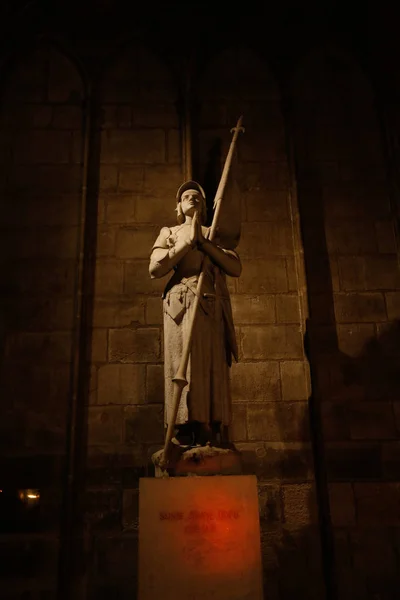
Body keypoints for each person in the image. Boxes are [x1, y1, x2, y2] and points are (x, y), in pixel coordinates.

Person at [149, 180, 241, 446]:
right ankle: (181, 427)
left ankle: (208, 425)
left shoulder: (213, 233)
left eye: (197, 196)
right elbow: (155, 267)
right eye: (186, 196)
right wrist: (187, 243)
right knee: (181, 365)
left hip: (209, 304)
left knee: (209, 364)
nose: (192, 198)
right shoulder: (170, 231)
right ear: (178, 205)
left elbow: (235, 266)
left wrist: (204, 243)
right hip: (180, 305)